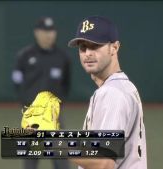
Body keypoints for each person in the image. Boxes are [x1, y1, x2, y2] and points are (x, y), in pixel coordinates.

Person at [68, 16, 147, 169]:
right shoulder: (123, 87)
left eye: (95, 46)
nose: (88, 53)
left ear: (114, 48)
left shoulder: (112, 93)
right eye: (83, 47)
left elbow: (104, 162)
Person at [11, 17, 71, 169]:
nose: (48, 35)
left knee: (61, 159)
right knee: (31, 159)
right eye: (45, 31)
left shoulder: (62, 57)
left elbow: (66, 84)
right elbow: (16, 80)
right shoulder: (25, 55)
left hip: (53, 116)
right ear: (37, 33)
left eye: (51, 31)